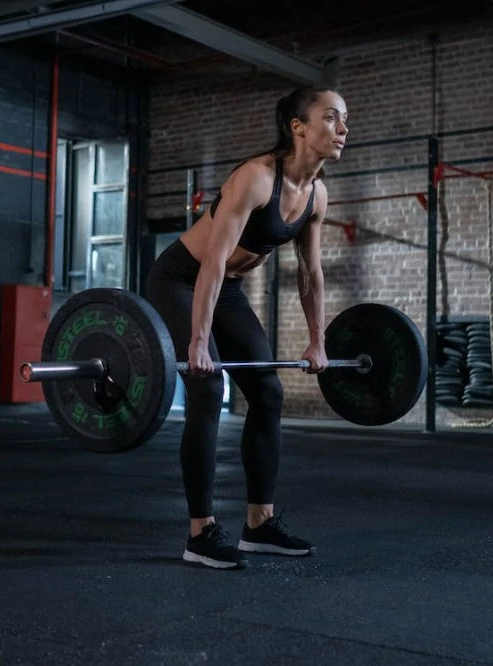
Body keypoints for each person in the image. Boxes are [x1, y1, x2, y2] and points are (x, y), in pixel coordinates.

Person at [145, 87, 348, 569]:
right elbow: (212, 262)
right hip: (180, 278)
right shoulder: (255, 179)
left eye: (345, 120)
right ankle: (200, 533)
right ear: (298, 127)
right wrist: (198, 341)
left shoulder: (316, 193)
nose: (343, 129)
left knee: (268, 392)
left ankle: (259, 524)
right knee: (206, 384)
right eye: (332, 118)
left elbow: (310, 273)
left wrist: (318, 340)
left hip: (227, 288)